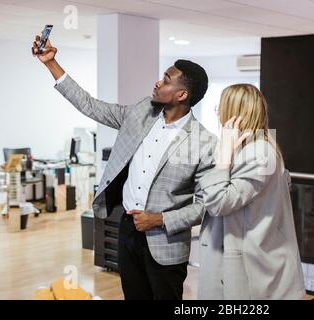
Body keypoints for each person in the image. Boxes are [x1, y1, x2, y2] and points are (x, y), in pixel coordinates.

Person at [32, 36, 216, 300]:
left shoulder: (203, 141)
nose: (158, 82)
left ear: (182, 94)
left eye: (166, 80)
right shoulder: (142, 111)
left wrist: (161, 219)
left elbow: (205, 204)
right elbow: (90, 105)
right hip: (128, 228)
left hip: (166, 242)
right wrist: (52, 64)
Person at [197, 84, 306, 300]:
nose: (218, 112)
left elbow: (218, 203)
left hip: (253, 268)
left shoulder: (259, 152)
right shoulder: (250, 147)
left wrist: (223, 162)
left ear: (234, 113)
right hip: (248, 259)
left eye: (221, 106)